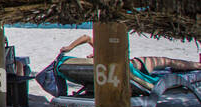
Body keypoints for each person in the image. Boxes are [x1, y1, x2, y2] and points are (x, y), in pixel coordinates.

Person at [58, 34, 198, 74]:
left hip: (127, 67)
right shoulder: (104, 54)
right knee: (168, 61)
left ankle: (197, 66)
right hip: (135, 66)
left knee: (169, 64)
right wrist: (70, 47)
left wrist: (70, 48)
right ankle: (198, 66)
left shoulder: (99, 65)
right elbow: (86, 37)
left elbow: (86, 38)